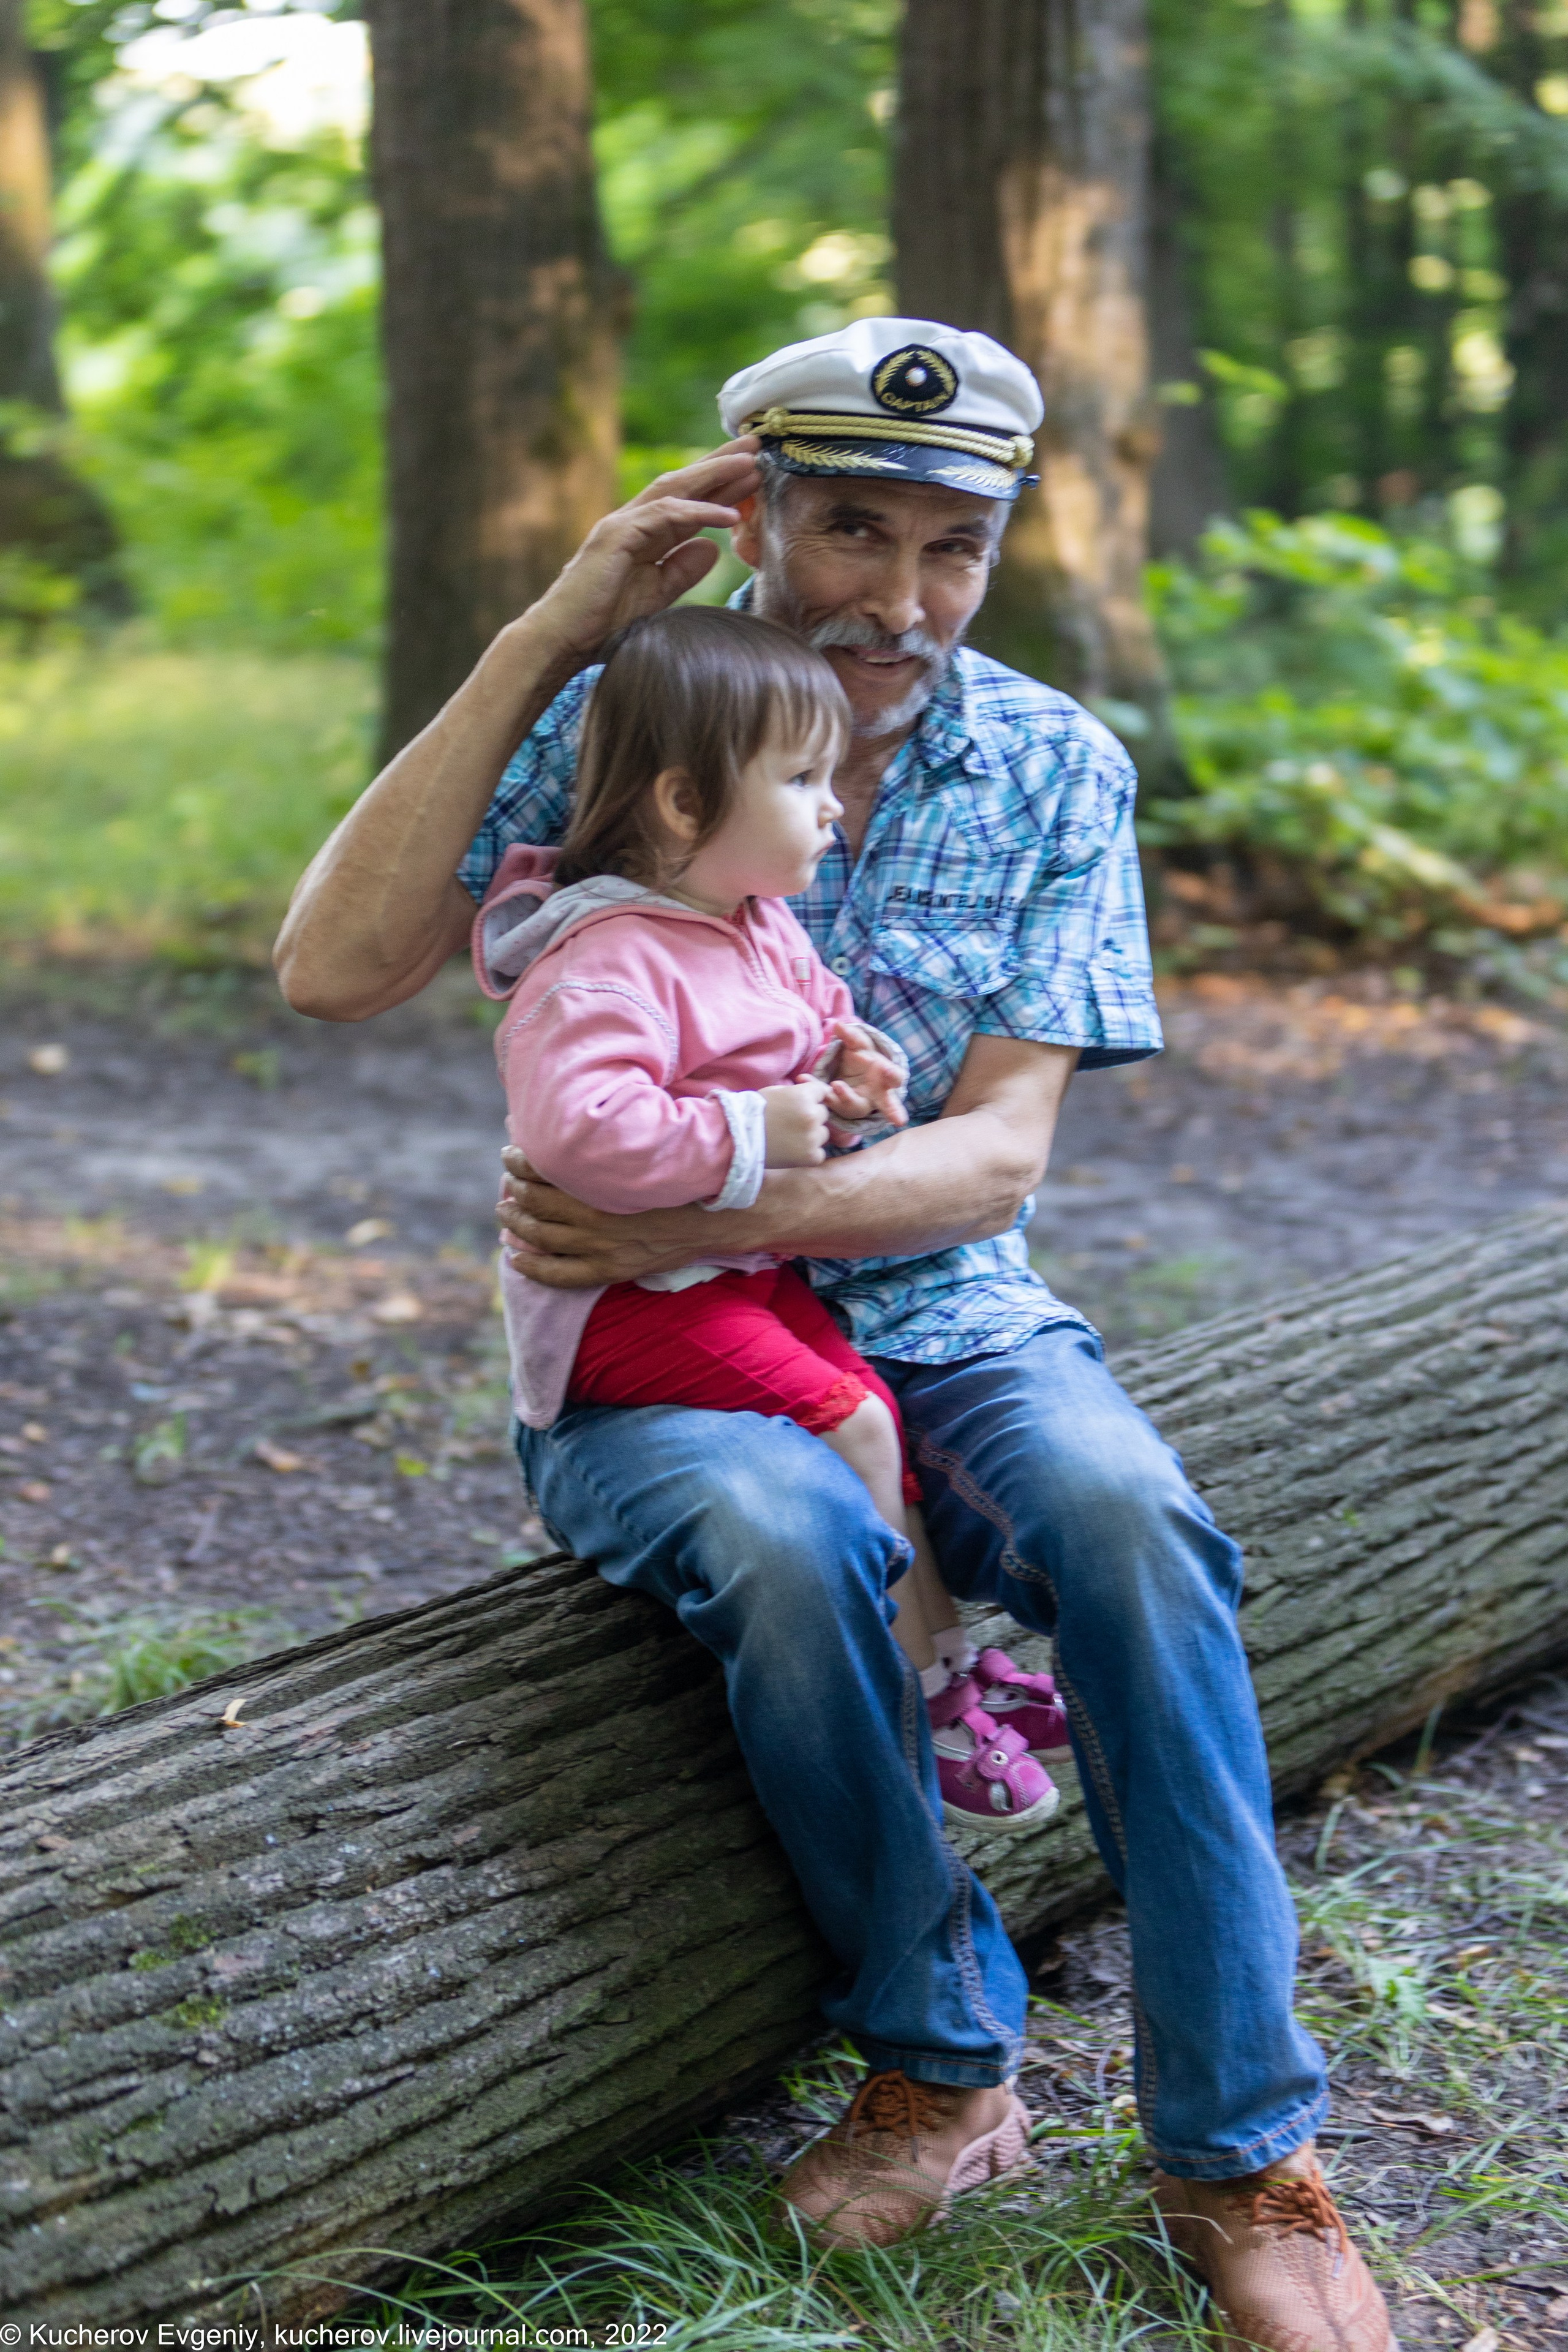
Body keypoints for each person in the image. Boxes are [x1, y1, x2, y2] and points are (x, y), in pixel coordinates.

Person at [276, 318, 1395, 2352]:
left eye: (949, 547)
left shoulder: (1056, 763)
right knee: (791, 1547)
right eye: (850, 530)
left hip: (937, 1317)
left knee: (1133, 1523)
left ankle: (1245, 2158)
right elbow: (335, 968)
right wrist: (551, 626)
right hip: (663, 1353)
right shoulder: (629, 717)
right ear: (752, 512)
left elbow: (993, 1164)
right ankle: (941, 2055)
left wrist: (693, 1193)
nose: (895, 599)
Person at [474, 601, 1063, 1831]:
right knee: (847, 1421)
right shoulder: (601, 958)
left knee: (878, 1407)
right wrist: (754, 1135)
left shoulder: (754, 924)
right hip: (620, 1307)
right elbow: (580, 1132)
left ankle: (947, 1656)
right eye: (799, 778)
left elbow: (811, 1032)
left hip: (723, 1270)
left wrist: (853, 1079)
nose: (832, 801)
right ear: (686, 806)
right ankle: (921, 1706)